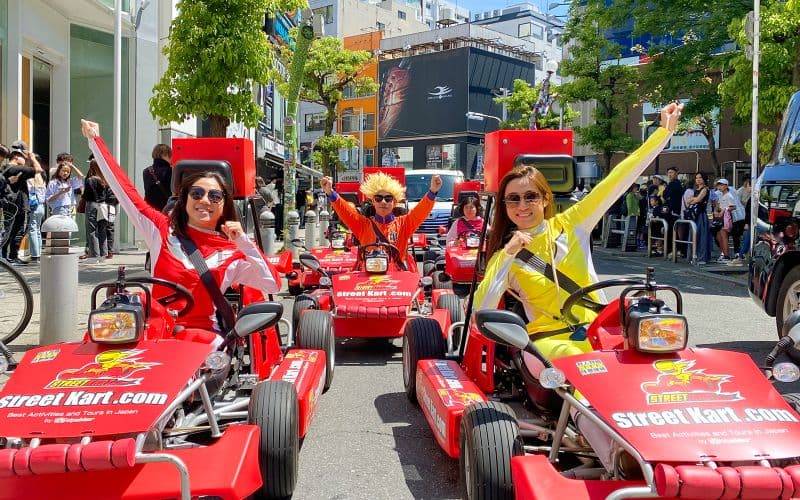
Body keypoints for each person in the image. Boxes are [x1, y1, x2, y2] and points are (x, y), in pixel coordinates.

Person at [472, 102, 682, 473]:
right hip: (547, 340)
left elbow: (619, 179)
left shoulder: (574, 224)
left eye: (530, 196)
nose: (523, 205)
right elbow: (481, 310)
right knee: (585, 382)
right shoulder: (503, 255)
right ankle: (622, 460)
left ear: (545, 199)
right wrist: (506, 254)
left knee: (665, 364)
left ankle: (687, 445)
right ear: (505, 206)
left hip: (604, 331)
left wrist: (662, 135)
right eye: (514, 199)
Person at [81, 119, 280, 340]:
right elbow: (126, 192)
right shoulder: (161, 229)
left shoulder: (232, 252)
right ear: (184, 199)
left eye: (214, 196)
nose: (204, 200)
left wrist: (243, 241)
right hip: (153, 334)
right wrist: (95, 141)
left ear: (224, 205)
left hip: (202, 339)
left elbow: (272, 283)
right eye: (196, 193)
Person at [320, 171, 442, 262]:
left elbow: (420, 211)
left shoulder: (404, 223)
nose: (383, 202)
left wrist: (432, 191)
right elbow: (346, 212)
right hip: (367, 277)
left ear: (394, 202)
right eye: (378, 198)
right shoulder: (363, 225)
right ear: (373, 202)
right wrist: (330, 193)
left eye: (388, 198)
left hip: (397, 278)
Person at [2, 147, 44, 264]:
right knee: (18, 230)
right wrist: (32, 157)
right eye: (23, 157)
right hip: (18, 205)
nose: (25, 160)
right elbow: (39, 170)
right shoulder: (17, 168)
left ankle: (5, 257)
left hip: (9, 204)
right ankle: (12, 256)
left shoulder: (5, 168)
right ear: (16, 157)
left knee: (8, 230)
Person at [81, 160, 111, 262]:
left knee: (92, 230)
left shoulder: (90, 180)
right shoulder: (104, 180)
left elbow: (87, 195)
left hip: (92, 205)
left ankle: (94, 256)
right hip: (103, 205)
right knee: (102, 230)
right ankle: (103, 254)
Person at [686, 173, 712, 265]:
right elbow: (689, 201)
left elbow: (697, 200)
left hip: (701, 214)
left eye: (700, 178)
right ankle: (694, 255)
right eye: (696, 178)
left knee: (701, 236)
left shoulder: (705, 189)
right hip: (695, 214)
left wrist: (693, 199)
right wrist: (694, 199)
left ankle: (702, 257)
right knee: (694, 235)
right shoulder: (696, 190)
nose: (698, 180)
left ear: (704, 179)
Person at [143, 143, 173, 212]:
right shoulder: (170, 171)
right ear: (165, 155)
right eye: (170, 155)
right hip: (166, 210)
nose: (171, 158)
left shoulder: (146, 171)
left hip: (150, 211)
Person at [26, 171, 47, 263]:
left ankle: (35, 255)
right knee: (37, 230)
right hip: (41, 207)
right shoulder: (42, 182)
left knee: (32, 230)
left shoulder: (30, 181)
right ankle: (38, 253)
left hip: (34, 206)